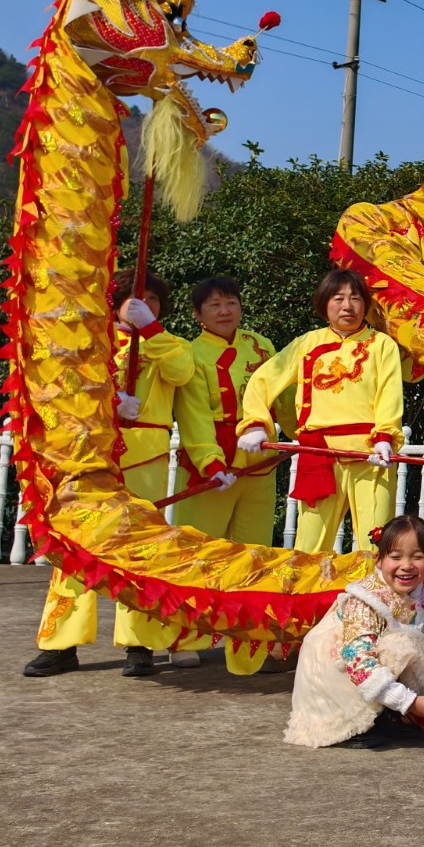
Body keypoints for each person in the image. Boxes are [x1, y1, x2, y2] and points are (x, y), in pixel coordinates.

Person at [24, 269, 198, 678]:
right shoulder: (89, 342)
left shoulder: (169, 344)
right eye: (138, 298)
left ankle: (140, 643)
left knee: (140, 547)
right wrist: (109, 404)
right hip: (91, 457)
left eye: (154, 300)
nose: (146, 305)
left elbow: (181, 372)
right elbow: (65, 391)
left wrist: (150, 329)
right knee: (74, 547)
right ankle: (61, 644)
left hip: (145, 458)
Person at [173, 276, 295, 673]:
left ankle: (249, 647)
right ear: (198, 316)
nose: (225, 311)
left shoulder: (261, 346)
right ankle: (184, 638)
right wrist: (210, 462)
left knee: (253, 556)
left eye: (230, 303)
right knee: (199, 556)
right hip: (211, 470)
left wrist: (304, 437)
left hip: (258, 465)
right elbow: (192, 415)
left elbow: (285, 400)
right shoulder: (189, 354)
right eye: (214, 305)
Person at [237, 269, 403, 556]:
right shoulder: (306, 344)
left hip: (370, 453)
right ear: (324, 303)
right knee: (309, 546)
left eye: (355, 298)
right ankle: (304, 599)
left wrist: (386, 437)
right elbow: (263, 380)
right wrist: (254, 422)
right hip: (319, 453)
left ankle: (375, 600)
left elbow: (389, 393)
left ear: (365, 304)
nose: (348, 306)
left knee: (376, 543)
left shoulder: (381, 345)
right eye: (338, 298)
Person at [284, 514, 424, 748]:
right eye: (396, 557)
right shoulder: (366, 601)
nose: (407, 565)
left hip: (372, 660)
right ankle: (356, 721)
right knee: (400, 646)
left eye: (417, 557)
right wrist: (408, 702)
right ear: (379, 560)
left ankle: (386, 714)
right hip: (336, 670)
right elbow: (358, 661)